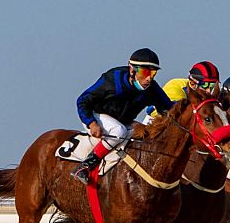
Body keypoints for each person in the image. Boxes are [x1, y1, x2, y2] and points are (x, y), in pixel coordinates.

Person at [71, 48, 174, 184]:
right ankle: (84, 166)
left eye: (153, 73)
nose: (149, 78)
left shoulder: (152, 89)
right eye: (145, 72)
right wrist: (91, 122)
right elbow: (82, 100)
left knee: (145, 134)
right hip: (96, 116)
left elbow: (169, 109)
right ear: (132, 70)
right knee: (119, 131)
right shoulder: (112, 80)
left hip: (122, 121)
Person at [142, 61, 220, 121]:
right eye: (205, 85)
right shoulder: (175, 87)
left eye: (212, 86)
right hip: (156, 121)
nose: (209, 91)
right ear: (192, 84)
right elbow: (176, 116)